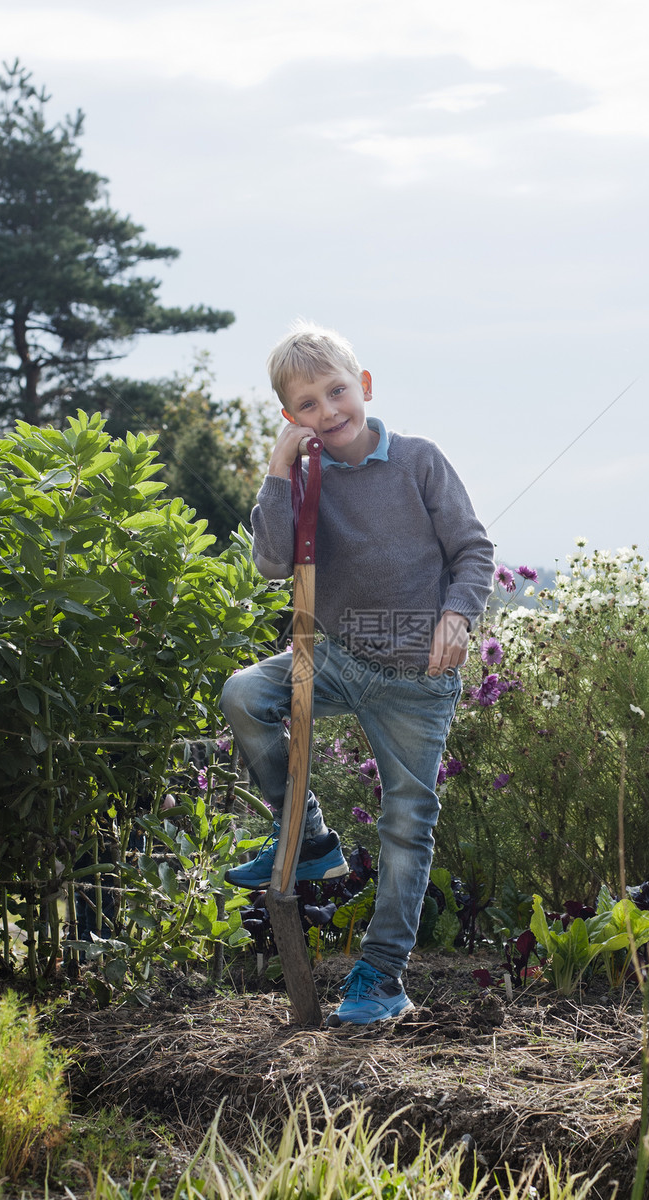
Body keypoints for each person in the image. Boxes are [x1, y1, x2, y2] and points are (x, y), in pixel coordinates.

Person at [220, 322, 494, 1025]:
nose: (327, 411)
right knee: (246, 691)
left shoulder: (419, 462)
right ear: (291, 418)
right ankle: (306, 837)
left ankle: (381, 974)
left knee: (407, 822)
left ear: (363, 386)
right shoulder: (303, 479)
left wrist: (457, 617)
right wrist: (280, 470)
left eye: (337, 391)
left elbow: (472, 551)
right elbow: (274, 561)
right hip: (335, 657)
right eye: (306, 404)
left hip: (416, 677)